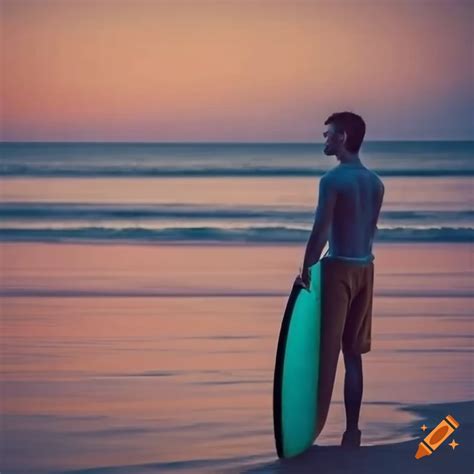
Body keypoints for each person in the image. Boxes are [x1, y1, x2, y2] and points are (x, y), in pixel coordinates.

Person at [298, 111, 385, 448]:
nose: (325, 139)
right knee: (352, 355)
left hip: (337, 271)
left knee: (325, 353)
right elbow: (371, 229)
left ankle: (307, 431)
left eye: (329, 134)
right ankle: (352, 432)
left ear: (343, 138)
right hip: (366, 269)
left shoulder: (332, 181)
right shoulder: (376, 183)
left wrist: (306, 268)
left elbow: (321, 231)